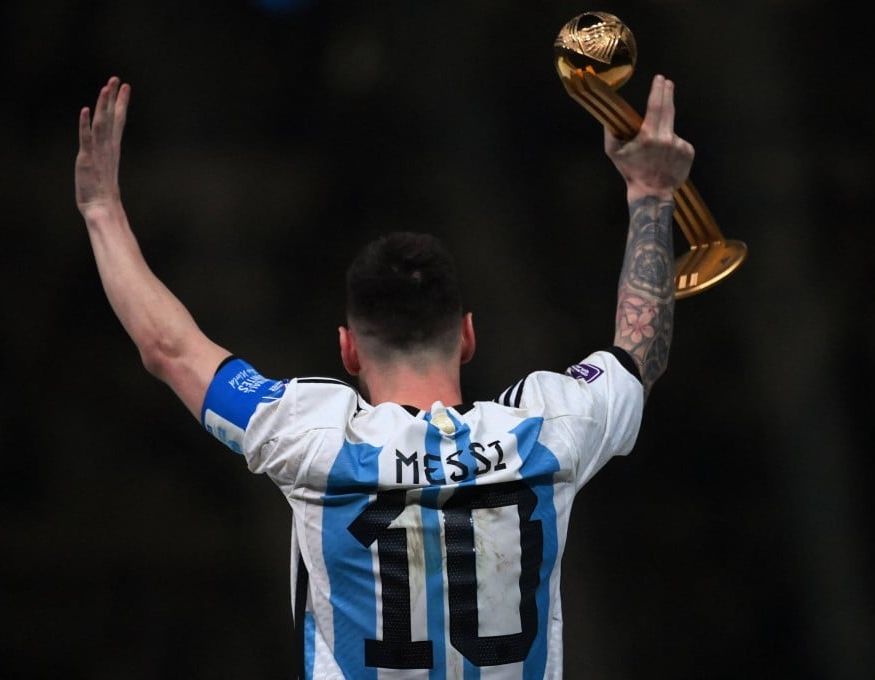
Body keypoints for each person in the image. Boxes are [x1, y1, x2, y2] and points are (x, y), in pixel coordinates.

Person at [75, 73, 692, 679]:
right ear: (468, 336)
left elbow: (169, 349)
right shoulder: (548, 429)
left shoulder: (313, 438)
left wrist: (102, 210)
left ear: (347, 351)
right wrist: (651, 194)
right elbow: (640, 354)